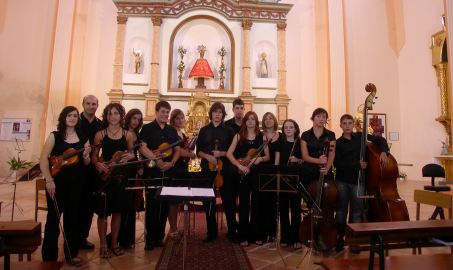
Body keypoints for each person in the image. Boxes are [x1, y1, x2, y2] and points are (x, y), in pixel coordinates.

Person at [39, 106, 91, 266]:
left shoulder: (83, 138)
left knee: (72, 220)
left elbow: (86, 163)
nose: (72, 118)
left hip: (76, 185)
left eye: (75, 115)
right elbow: (43, 160)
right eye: (69, 115)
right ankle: (49, 257)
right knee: (53, 220)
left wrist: (86, 155)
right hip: (57, 184)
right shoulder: (55, 136)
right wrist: (49, 180)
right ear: (64, 118)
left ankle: (71, 254)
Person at [334, 114, 389, 252]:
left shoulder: (360, 137)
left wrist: (383, 152)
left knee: (356, 212)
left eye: (349, 123)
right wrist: (357, 164)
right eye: (344, 123)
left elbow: (380, 139)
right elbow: (337, 163)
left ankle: (354, 241)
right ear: (340, 125)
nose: (347, 126)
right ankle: (339, 238)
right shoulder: (337, 143)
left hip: (358, 181)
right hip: (342, 181)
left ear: (353, 125)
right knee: (341, 211)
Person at [91, 103, 136, 258]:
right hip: (105, 177)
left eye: (116, 113)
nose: (113, 117)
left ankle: (114, 244)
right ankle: (103, 245)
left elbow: (132, 153)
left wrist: (130, 156)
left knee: (117, 212)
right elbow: (95, 156)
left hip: (120, 178)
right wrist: (97, 163)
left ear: (121, 115)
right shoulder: (100, 134)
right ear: (106, 116)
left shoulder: (128, 135)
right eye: (110, 114)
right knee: (103, 214)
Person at [139, 101, 181, 250]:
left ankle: (159, 237)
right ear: (156, 112)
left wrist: (172, 163)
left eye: (167, 112)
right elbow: (143, 148)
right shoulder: (147, 128)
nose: (165, 114)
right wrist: (157, 161)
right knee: (152, 205)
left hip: (168, 170)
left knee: (164, 206)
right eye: (162, 111)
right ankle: (150, 239)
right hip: (153, 171)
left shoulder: (171, 130)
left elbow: (177, 149)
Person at [226, 111, 270, 247]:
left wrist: (260, 159)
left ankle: (256, 234)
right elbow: (229, 154)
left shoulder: (262, 137)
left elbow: (267, 156)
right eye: (248, 119)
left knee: (257, 203)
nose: (250, 121)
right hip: (244, 172)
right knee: (244, 203)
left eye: (253, 119)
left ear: (256, 122)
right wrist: (239, 165)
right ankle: (243, 235)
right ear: (245, 121)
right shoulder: (238, 136)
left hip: (256, 172)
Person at [196, 102, 235, 242]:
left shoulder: (229, 131)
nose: (217, 114)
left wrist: (222, 153)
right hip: (207, 169)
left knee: (228, 201)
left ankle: (232, 231)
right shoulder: (204, 130)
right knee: (208, 202)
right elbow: (198, 151)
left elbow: (233, 151)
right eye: (215, 112)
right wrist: (208, 157)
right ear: (211, 113)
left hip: (225, 170)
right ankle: (211, 232)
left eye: (220, 112)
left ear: (223, 114)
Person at [300, 107, 336, 251]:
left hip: (325, 171)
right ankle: (312, 232)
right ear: (313, 118)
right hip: (309, 172)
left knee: (327, 203)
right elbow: (305, 156)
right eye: (319, 116)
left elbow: (332, 153)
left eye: (324, 117)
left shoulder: (331, 135)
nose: (322, 119)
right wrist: (318, 161)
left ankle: (325, 234)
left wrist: (327, 167)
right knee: (312, 204)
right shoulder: (305, 135)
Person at [251, 112, 280, 244]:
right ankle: (260, 232)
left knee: (272, 203)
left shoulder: (281, 135)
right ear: (263, 122)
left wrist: (276, 171)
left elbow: (280, 154)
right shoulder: (260, 136)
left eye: (270, 118)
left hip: (275, 171)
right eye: (265, 119)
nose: (268, 121)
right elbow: (259, 154)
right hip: (261, 171)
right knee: (261, 202)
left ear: (274, 120)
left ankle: (272, 232)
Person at [117, 108, 144, 248]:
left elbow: (138, 154)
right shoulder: (121, 132)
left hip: (133, 170)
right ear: (128, 118)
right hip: (123, 170)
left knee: (132, 205)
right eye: (134, 118)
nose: (136, 122)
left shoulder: (137, 134)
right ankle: (120, 237)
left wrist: (140, 167)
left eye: (139, 119)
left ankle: (128, 239)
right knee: (123, 204)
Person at [274, 119, 303, 249]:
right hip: (283, 179)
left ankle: (296, 237)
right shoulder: (280, 143)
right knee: (283, 209)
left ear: (295, 129)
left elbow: (305, 160)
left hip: (296, 179)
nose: (288, 129)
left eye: (291, 127)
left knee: (296, 209)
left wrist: (298, 160)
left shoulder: (300, 143)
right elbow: (278, 161)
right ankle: (285, 237)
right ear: (283, 130)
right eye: (286, 127)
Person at [168, 109, 196, 239]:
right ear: (173, 119)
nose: (180, 120)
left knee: (179, 200)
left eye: (182, 118)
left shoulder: (182, 132)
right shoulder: (172, 132)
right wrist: (191, 154)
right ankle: (173, 229)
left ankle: (177, 228)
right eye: (177, 118)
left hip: (183, 167)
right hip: (175, 167)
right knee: (173, 201)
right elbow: (178, 151)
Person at [78, 95, 101, 250]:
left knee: (88, 206)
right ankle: (73, 237)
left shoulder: (100, 124)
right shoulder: (75, 121)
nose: (91, 106)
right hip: (76, 168)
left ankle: (82, 238)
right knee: (76, 206)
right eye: (88, 103)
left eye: (94, 104)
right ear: (83, 104)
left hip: (92, 169)